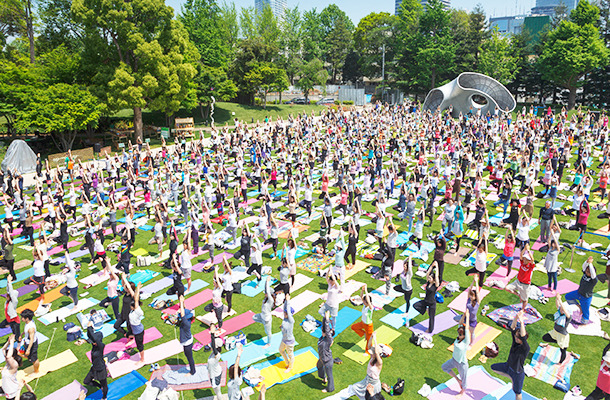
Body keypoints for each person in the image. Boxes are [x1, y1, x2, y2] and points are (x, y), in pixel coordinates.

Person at [491, 310, 530, 400]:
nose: (515, 338)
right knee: (493, 367)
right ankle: (510, 377)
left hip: (517, 373)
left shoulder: (525, 348)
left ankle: (512, 378)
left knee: (517, 392)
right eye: (515, 336)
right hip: (508, 366)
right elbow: (512, 328)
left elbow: (523, 337)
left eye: (517, 337)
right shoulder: (515, 342)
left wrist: (521, 321)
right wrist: (516, 317)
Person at [565, 258, 605, 325]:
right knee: (568, 296)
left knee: (585, 312)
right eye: (586, 271)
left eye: (588, 272)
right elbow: (584, 266)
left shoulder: (594, 280)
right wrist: (587, 262)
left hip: (586, 298)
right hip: (578, 293)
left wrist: (590, 264)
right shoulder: (585, 274)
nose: (587, 272)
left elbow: (592, 273)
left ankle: (584, 323)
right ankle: (579, 307)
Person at [442, 312, 470, 396]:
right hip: (454, 360)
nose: (459, 335)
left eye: (460, 334)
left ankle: (462, 392)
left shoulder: (466, 341)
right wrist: (464, 315)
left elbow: (467, 328)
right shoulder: (458, 339)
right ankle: (458, 380)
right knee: (444, 367)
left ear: (464, 336)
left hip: (462, 363)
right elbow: (460, 323)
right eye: (458, 333)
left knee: (464, 380)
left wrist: (468, 318)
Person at [542, 294, 572, 364]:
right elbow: (557, 305)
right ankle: (557, 341)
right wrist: (557, 298)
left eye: (562, 308)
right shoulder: (559, 313)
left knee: (563, 350)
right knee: (545, 338)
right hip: (555, 332)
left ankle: (560, 362)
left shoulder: (568, 317)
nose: (560, 309)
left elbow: (563, 308)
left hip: (562, 336)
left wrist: (560, 300)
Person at [83, 320, 108, 400]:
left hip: (100, 369)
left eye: (93, 342)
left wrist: (89, 327)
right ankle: (99, 386)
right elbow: (90, 336)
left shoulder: (101, 346)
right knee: (86, 381)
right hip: (94, 368)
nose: (92, 343)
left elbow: (94, 338)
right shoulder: (95, 346)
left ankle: (104, 397)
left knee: (105, 386)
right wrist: (88, 329)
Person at [506, 246, 535, 310]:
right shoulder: (522, 263)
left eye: (526, 259)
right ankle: (519, 295)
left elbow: (532, 260)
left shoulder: (530, 266)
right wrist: (524, 249)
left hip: (525, 285)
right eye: (524, 259)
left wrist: (529, 250)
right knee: (507, 288)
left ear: (529, 261)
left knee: (525, 300)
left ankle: (522, 310)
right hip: (518, 282)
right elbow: (521, 255)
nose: (524, 260)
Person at [414, 263, 440, 333]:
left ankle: (430, 329)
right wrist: (431, 266)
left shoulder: (435, 285)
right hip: (425, 301)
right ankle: (425, 310)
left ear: (434, 280)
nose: (429, 278)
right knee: (415, 305)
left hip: (432, 303)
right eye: (429, 278)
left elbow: (437, 276)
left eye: (430, 278)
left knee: (431, 318)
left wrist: (437, 267)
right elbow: (428, 273)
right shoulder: (428, 283)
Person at [317, 310, 335, 393]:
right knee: (319, 366)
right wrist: (325, 317)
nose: (321, 328)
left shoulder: (328, 339)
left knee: (330, 375)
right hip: (322, 358)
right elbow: (324, 327)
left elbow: (327, 329)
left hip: (327, 361)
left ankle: (330, 388)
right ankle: (323, 378)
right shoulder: (322, 338)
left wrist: (327, 319)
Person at [252, 276, 273, 347]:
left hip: (266, 319)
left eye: (266, 293)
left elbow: (267, 290)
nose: (265, 293)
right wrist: (265, 282)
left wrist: (267, 282)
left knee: (268, 332)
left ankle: (269, 343)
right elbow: (265, 288)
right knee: (254, 317)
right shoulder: (265, 299)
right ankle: (263, 323)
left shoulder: (270, 300)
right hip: (262, 316)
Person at [177, 295, 196, 375]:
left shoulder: (186, 323)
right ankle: (192, 370)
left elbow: (182, 314)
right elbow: (184, 312)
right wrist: (183, 302)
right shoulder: (186, 321)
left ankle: (192, 371)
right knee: (188, 355)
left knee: (189, 357)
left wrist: (181, 302)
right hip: (188, 340)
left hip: (187, 342)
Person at [2, 335, 24, 400]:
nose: (5, 357)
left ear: (13, 357)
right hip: (6, 389)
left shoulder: (14, 365)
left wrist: (12, 343)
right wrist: (8, 342)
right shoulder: (9, 363)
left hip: (12, 392)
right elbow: (3, 349)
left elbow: (8, 357)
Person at [393, 256, 413, 327]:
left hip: (408, 290)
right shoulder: (403, 271)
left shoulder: (409, 274)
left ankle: (406, 312)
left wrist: (410, 259)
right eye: (404, 266)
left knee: (407, 300)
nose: (404, 267)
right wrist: (407, 258)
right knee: (394, 288)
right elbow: (404, 262)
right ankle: (402, 293)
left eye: (405, 267)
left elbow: (410, 267)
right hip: (403, 288)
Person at [207, 324, 224, 399]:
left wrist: (212, 333)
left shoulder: (217, 355)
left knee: (218, 392)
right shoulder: (215, 353)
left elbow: (213, 345)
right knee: (216, 391)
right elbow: (214, 344)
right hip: (215, 372)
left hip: (215, 375)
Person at [20, 309, 39, 374]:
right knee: (23, 354)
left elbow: (31, 339)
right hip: (27, 342)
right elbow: (26, 331)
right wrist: (22, 334)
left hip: (31, 344)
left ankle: (36, 371)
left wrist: (28, 349)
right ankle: (30, 358)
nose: (21, 318)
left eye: (22, 317)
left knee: (34, 359)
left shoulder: (31, 328)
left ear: (27, 318)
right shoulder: (28, 323)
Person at [280, 295, 295, 372]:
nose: (284, 313)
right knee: (281, 350)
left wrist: (288, 301)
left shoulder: (291, 321)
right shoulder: (285, 319)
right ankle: (287, 363)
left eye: (286, 313)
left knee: (290, 355)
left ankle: (290, 367)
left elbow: (288, 311)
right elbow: (284, 309)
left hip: (289, 341)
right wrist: (285, 300)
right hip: (284, 339)